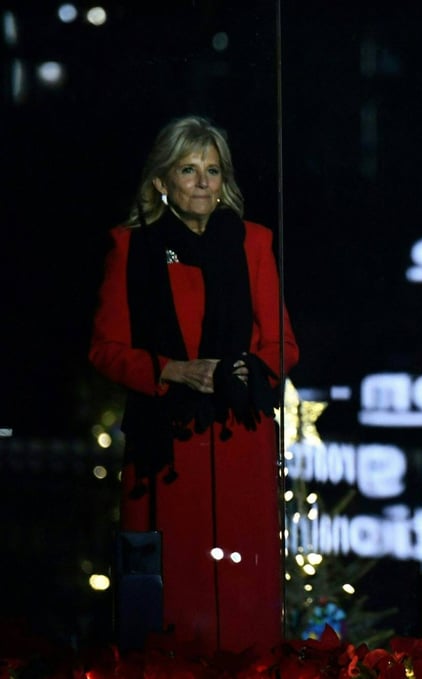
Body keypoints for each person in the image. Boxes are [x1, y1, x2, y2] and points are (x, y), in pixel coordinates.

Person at [89, 115, 299, 655]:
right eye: (189, 169)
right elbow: (105, 350)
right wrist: (170, 369)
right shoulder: (130, 248)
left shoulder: (253, 243)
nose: (204, 182)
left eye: (213, 169)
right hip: (166, 449)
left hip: (240, 442)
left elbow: (283, 346)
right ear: (162, 181)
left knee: (242, 601)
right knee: (171, 604)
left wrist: (248, 369)